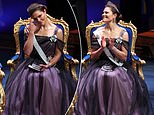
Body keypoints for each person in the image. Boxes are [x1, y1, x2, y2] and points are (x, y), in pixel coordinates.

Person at [73, 1, 153, 115]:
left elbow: (125, 57)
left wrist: (112, 48)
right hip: (99, 65)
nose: (103, 15)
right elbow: (93, 57)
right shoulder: (97, 32)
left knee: (114, 76)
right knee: (101, 75)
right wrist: (101, 48)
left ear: (114, 15)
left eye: (106, 13)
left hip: (118, 65)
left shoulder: (123, 33)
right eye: (103, 13)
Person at [3, 3, 70, 115]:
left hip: (49, 64)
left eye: (40, 16)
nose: (38, 20)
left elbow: (58, 54)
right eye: (35, 18)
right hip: (31, 63)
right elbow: (27, 53)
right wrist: (31, 34)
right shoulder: (30, 29)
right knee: (31, 77)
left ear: (44, 11)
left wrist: (49, 65)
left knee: (46, 77)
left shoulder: (57, 31)